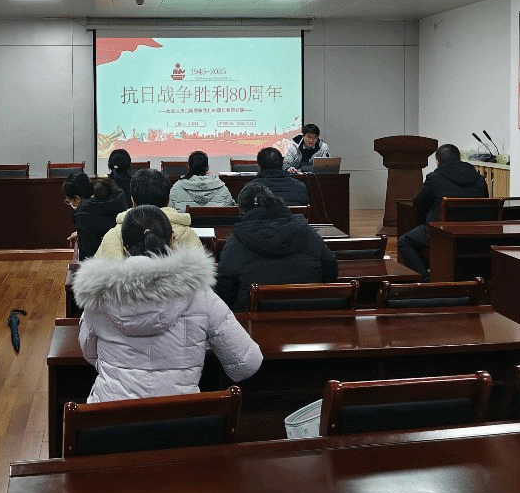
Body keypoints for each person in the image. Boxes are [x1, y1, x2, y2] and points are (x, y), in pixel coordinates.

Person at [72, 204, 263, 402]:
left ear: (124, 248)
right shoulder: (199, 293)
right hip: (181, 417)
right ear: (172, 241)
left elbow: (90, 353)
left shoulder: (98, 296)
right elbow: (247, 364)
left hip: (110, 416)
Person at [214, 182, 337, 311]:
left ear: (242, 211)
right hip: (310, 312)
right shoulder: (307, 232)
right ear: (274, 202)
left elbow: (225, 289)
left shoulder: (236, 241)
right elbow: (330, 268)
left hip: (253, 316)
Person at [397, 143, 489, 278]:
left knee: (404, 241)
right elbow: (485, 204)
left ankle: (425, 279)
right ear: (459, 158)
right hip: (474, 235)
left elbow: (418, 202)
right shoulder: (479, 179)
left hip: (441, 234)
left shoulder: (434, 178)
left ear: (438, 162)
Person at [93, 168, 204, 258]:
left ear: (133, 200)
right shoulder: (188, 234)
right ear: (168, 200)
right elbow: (202, 274)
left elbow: (96, 274)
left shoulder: (114, 235)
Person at [63, 173, 129, 259]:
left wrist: (83, 231)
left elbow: (86, 255)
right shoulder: (115, 195)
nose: (69, 204)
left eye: (68, 201)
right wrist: (81, 232)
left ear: (77, 198)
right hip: (126, 254)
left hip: (105, 261)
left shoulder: (84, 214)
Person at [168, 150, 235, 212]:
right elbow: (231, 209)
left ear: (188, 167)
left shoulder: (178, 187)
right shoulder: (221, 188)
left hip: (186, 221)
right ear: (207, 167)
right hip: (216, 221)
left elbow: (169, 210)